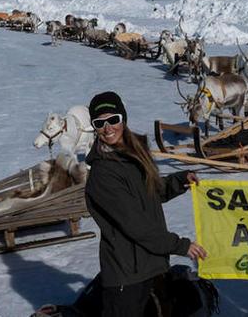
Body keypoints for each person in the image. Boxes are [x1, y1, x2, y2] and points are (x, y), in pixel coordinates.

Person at [84, 91, 207, 316]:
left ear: (123, 119)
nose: (107, 128)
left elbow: (150, 192)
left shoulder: (132, 156)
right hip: (127, 277)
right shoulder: (103, 174)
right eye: (99, 123)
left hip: (151, 266)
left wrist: (179, 181)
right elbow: (136, 225)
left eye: (113, 120)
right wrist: (180, 245)